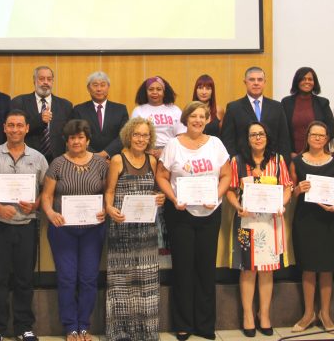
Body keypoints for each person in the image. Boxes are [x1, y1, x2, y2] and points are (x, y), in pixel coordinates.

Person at [155, 101, 231, 341]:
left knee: (206, 269)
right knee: (183, 269)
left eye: (202, 116)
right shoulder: (173, 145)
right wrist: (174, 198)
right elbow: (162, 176)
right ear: (186, 119)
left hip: (210, 214)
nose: (198, 120)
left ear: (207, 120)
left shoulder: (216, 144)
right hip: (181, 214)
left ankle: (205, 324)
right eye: (193, 116)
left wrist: (216, 196)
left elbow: (227, 174)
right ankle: (183, 324)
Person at [0, 110, 48, 341]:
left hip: (26, 225)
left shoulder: (37, 157)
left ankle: (23, 327)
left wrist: (35, 204)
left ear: (27, 128)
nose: (15, 129)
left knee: (24, 279)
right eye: (11, 125)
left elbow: (47, 189)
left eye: (20, 125)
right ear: (4, 128)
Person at [41, 119, 108, 341]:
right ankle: (70, 327)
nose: (76, 141)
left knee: (88, 278)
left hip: (93, 230)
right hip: (63, 230)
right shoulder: (57, 164)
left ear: (88, 140)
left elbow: (109, 193)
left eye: (80, 137)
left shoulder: (100, 164)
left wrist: (106, 211)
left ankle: (84, 327)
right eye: (72, 138)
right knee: (67, 278)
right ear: (66, 141)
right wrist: (50, 214)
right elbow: (47, 196)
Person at [225, 121, 291, 338]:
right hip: (246, 222)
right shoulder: (237, 161)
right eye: (253, 134)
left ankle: (265, 316)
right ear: (247, 138)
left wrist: (282, 203)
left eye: (261, 134)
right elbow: (231, 191)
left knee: (267, 270)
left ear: (267, 136)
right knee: (248, 269)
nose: (258, 138)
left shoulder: (278, 160)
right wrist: (237, 206)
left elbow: (287, 188)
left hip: (271, 222)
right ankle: (248, 317)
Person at [104, 117, 164, 341]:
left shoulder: (153, 161)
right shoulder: (118, 159)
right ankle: (120, 332)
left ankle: (145, 332)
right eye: (137, 135)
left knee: (146, 280)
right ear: (129, 136)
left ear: (150, 138)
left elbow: (157, 191)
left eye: (145, 135)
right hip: (121, 227)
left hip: (146, 230)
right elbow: (109, 190)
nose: (141, 139)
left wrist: (160, 198)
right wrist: (109, 209)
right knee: (122, 281)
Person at [290, 121, 334, 333]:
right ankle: (308, 314)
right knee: (308, 267)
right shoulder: (298, 161)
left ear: (327, 138)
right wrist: (298, 189)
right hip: (306, 220)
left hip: (330, 220)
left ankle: (325, 313)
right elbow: (292, 191)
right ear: (307, 137)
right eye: (313, 135)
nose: (317, 138)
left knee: (326, 267)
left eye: (321, 136)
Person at [221, 66, 292, 162]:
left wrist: (283, 163)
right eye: (252, 80)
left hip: (272, 163)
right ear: (245, 82)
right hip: (243, 164)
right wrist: (236, 164)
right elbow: (228, 141)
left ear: (264, 82)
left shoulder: (277, 107)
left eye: (260, 80)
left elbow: (284, 140)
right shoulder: (234, 108)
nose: (256, 83)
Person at [11, 66, 73, 162]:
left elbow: (69, 135)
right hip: (27, 159)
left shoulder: (65, 105)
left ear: (52, 82)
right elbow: (16, 130)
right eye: (41, 79)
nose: (45, 82)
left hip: (57, 160)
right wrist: (39, 120)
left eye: (49, 79)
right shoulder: (19, 102)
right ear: (34, 81)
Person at [70, 71, 129, 159]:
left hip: (114, 159)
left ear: (108, 87)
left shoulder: (120, 109)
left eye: (102, 85)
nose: (99, 89)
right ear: (88, 88)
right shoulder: (79, 110)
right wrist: (94, 156)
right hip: (86, 158)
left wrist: (106, 153)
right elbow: (77, 135)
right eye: (95, 85)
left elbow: (124, 135)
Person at [281, 67, 334, 157]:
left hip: (318, 155)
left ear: (314, 82)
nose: (307, 82)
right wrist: (289, 152)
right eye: (303, 79)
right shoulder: (286, 103)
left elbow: (331, 130)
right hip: (293, 155)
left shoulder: (323, 103)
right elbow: (282, 131)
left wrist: (317, 149)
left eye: (310, 79)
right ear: (297, 82)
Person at [131, 76, 185, 159]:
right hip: (144, 150)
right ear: (145, 92)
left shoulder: (175, 110)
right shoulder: (138, 110)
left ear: (164, 92)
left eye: (159, 89)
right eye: (151, 89)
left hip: (171, 151)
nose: (155, 92)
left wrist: (166, 151)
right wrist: (147, 150)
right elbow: (133, 136)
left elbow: (182, 136)